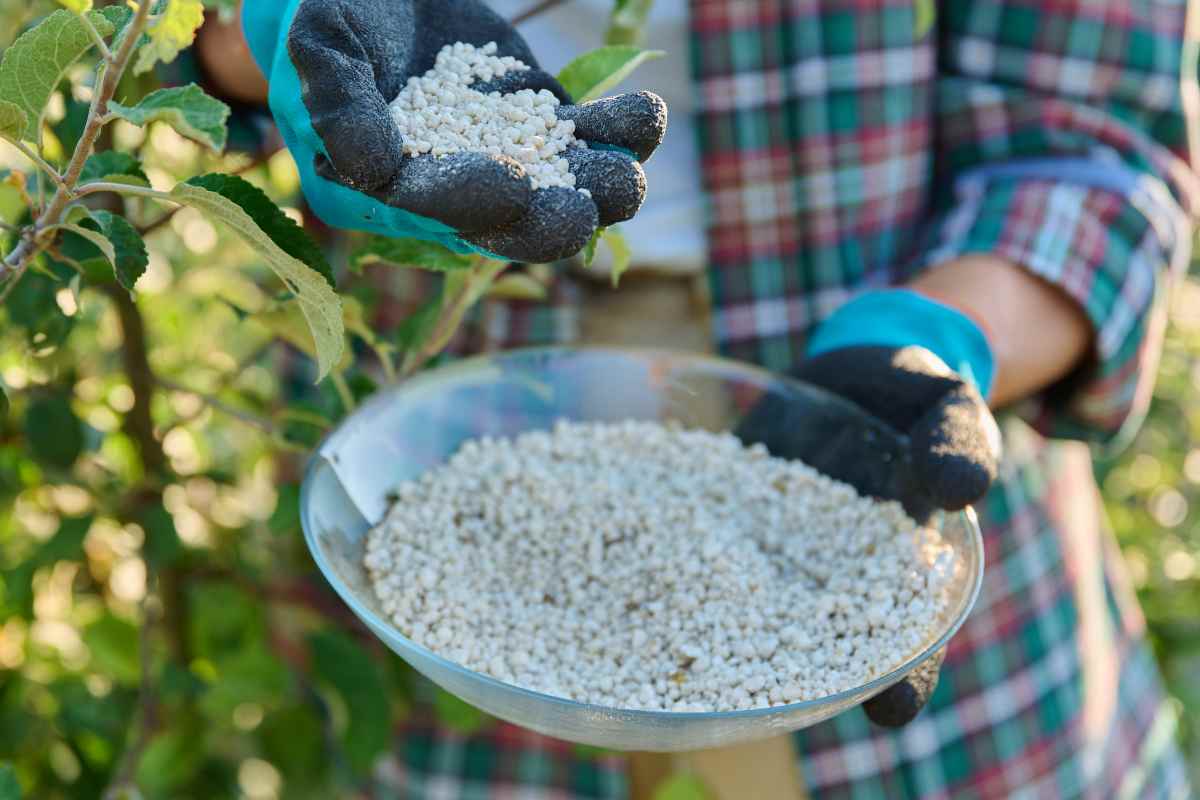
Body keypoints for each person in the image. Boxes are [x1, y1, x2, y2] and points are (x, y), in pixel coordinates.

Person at [192, 0, 1196, 796]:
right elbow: (170, 37)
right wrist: (275, 30)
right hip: (428, 437)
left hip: (862, 396)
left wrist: (936, 336)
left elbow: (1095, 153)